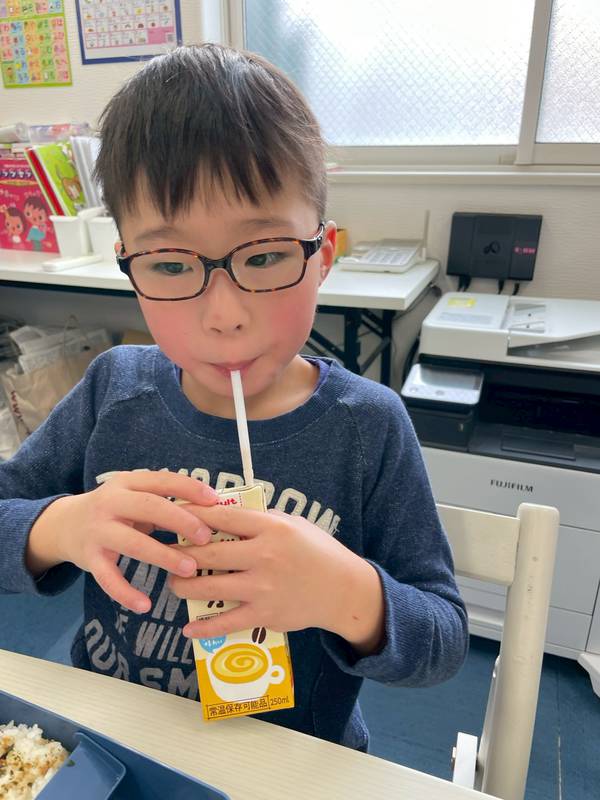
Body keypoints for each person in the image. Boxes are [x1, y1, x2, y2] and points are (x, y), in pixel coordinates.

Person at [0, 44, 467, 751]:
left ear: (322, 258)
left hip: (286, 763)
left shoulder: (366, 427)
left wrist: (347, 594)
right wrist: (59, 528)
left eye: (265, 256)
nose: (223, 315)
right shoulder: (112, 390)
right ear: (129, 267)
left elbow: (443, 638)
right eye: (169, 264)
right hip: (111, 746)